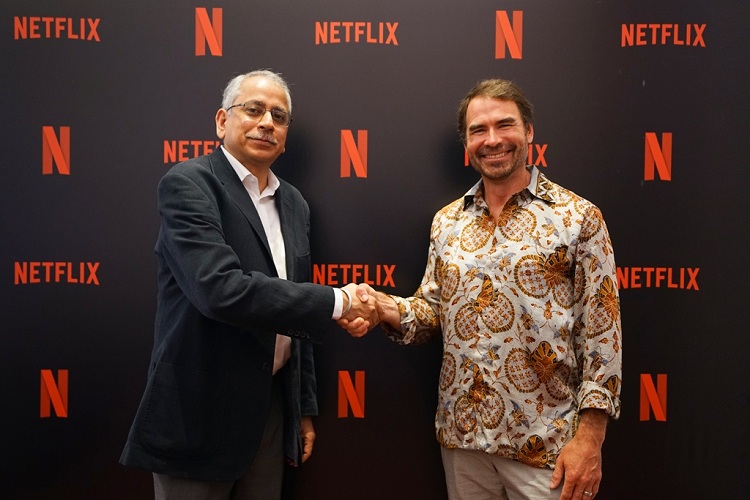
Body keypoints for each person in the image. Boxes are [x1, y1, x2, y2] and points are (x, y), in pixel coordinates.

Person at [342, 79, 622, 500]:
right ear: (467, 143)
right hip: (464, 443)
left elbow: (602, 335)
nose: (492, 140)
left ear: (529, 131)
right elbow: (432, 313)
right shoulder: (447, 222)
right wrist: (381, 306)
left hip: (547, 447)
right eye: (478, 130)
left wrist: (590, 439)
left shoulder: (578, 217)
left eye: (504, 125)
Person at [120, 69, 376, 499]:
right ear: (223, 121)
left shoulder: (294, 203)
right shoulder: (188, 184)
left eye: (279, 116)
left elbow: (294, 312)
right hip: (197, 414)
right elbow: (220, 290)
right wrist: (339, 301)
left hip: (269, 414)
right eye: (254, 110)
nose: (267, 123)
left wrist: (300, 409)